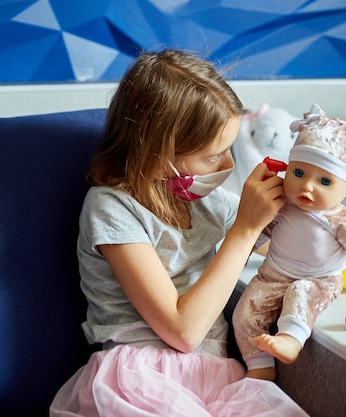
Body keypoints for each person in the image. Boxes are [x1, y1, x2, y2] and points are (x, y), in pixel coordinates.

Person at [49, 49, 309, 417]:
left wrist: (307, 194)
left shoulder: (201, 200)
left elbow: (281, 244)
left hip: (213, 375)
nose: (229, 165)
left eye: (229, 149)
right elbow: (183, 332)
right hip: (141, 375)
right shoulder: (111, 207)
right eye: (212, 156)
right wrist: (245, 229)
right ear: (157, 155)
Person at [232, 104, 346, 381]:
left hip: (320, 280)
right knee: (245, 312)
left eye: (324, 180)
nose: (307, 187)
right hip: (273, 274)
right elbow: (259, 231)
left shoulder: (339, 218)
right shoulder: (281, 204)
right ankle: (259, 366)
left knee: (301, 294)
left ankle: (291, 339)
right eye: (298, 173)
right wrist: (239, 253)